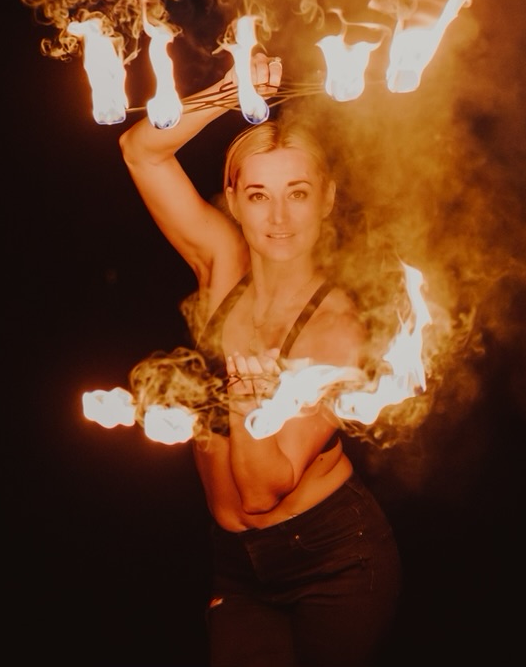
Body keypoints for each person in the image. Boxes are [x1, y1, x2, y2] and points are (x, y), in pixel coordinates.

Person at [119, 52, 401, 667]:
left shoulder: (334, 329)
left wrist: (250, 405)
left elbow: (260, 492)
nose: (278, 218)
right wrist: (229, 93)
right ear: (233, 199)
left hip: (334, 559)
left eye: (297, 193)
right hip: (237, 565)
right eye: (258, 195)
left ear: (326, 199)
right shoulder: (220, 263)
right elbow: (141, 150)